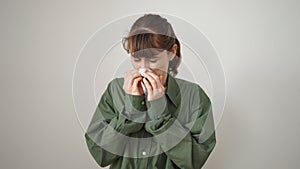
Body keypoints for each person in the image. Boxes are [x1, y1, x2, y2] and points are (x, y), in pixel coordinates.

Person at [85, 14, 216, 169]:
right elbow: (100, 155)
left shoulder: (194, 96)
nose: (143, 68)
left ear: (172, 52)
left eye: (153, 60)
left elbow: (194, 161)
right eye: (136, 59)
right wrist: (131, 109)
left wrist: (159, 112)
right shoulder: (115, 91)